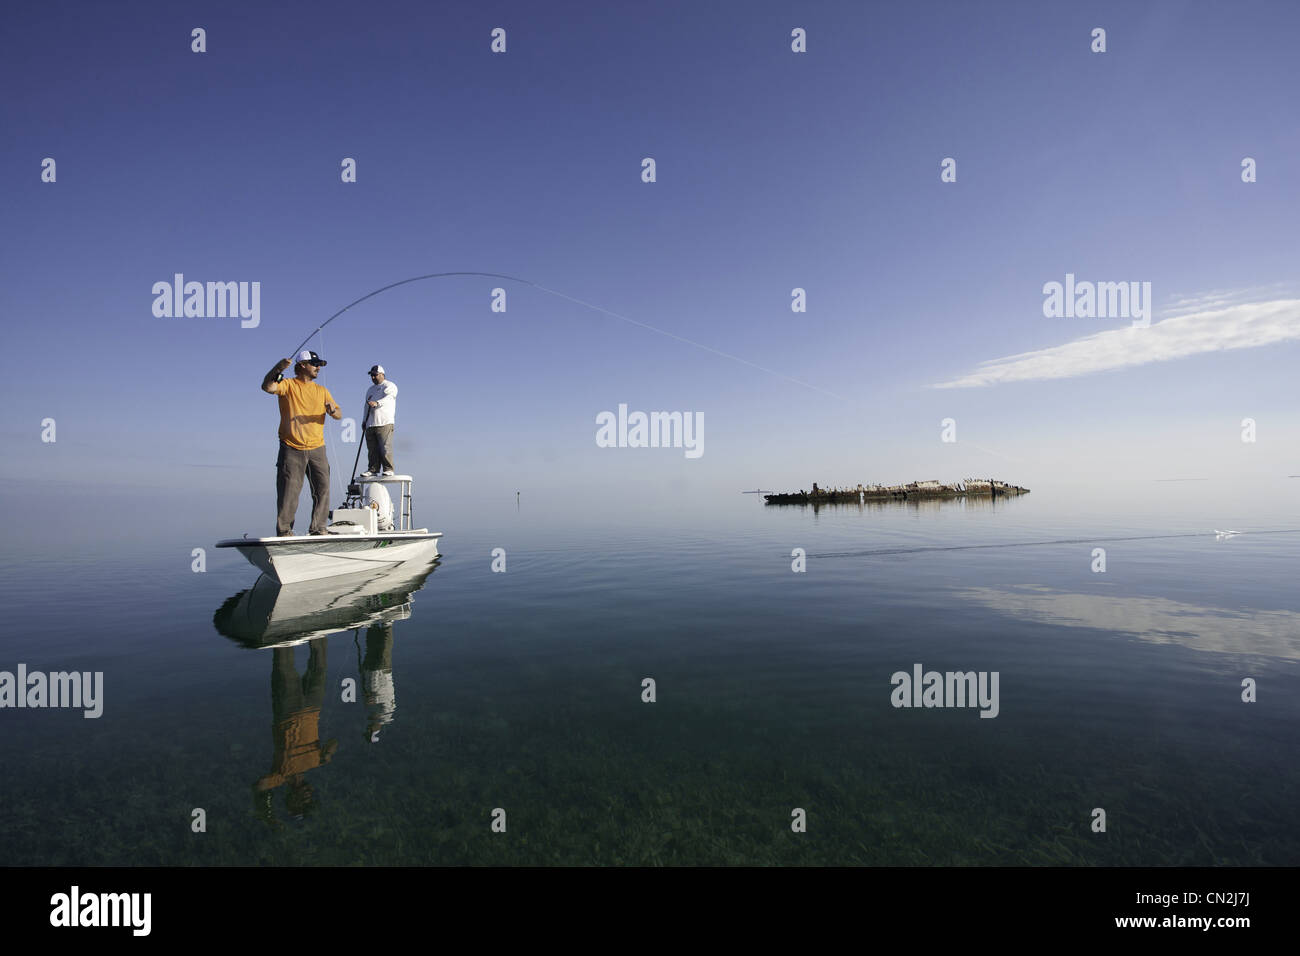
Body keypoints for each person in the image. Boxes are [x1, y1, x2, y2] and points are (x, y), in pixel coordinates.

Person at [261, 350, 342, 535]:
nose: (318, 368)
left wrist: (332, 411)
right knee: (289, 492)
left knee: (323, 490)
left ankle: (318, 528)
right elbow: (267, 387)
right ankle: (284, 531)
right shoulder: (287, 385)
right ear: (303, 365)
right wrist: (278, 368)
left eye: (319, 365)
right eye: (315, 364)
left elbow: (339, 414)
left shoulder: (322, 391)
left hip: (317, 448)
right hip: (291, 447)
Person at [360, 364, 398, 477]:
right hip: (370, 424)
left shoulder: (389, 386)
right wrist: (364, 421)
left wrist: (377, 403)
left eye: (375, 375)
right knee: (372, 449)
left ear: (382, 374)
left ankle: (388, 469)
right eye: (371, 375)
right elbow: (366, 406)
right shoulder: (370, 390)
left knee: (385, 447)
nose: (372, 377)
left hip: (384, 422)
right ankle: (373, 469)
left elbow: (389, 398)